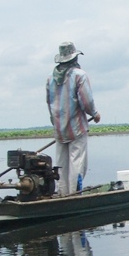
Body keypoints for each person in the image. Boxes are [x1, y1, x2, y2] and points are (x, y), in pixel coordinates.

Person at [46, 41, 101, 195]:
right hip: (76, 127)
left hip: (59, 128)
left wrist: (56, 124)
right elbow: (87, 101)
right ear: (74, 59)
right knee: (77, 162)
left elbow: (49, 104)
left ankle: (63, 194)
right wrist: (95, 114)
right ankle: (75, 195)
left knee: (62, 164)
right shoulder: (79, 75)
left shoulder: (50, 79)